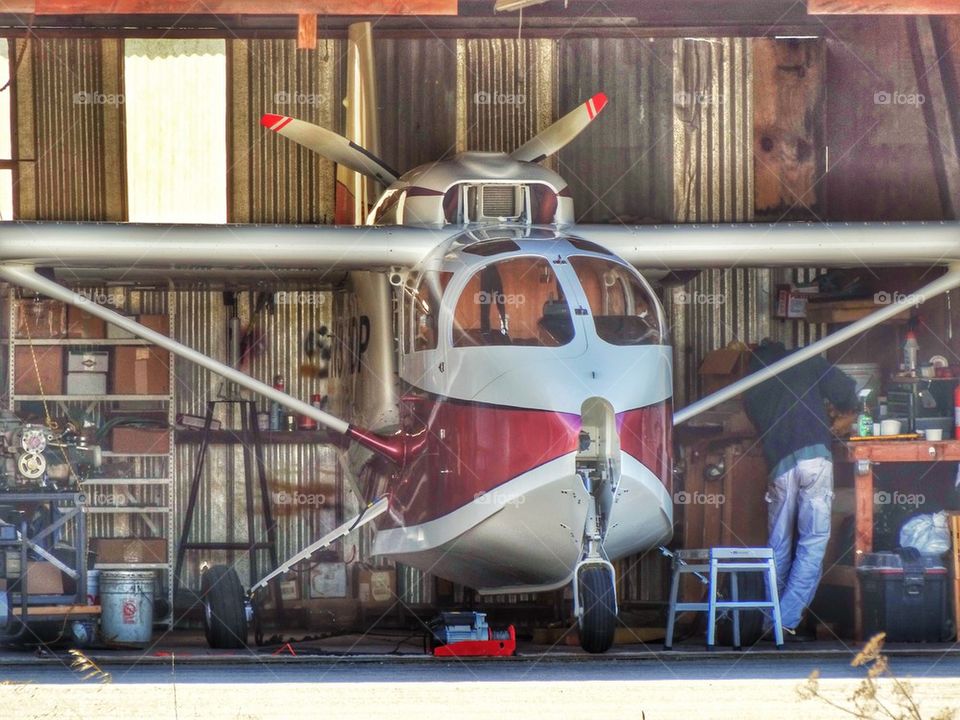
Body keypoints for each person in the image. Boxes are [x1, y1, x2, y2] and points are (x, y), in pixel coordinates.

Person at [742, 340, 858, 636]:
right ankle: (783, 621)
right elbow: (845, 388)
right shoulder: (804, 359)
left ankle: (772, 618)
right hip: (814, 460)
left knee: (778, 545)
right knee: (812, 543)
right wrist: (846, 410)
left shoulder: (751, 388)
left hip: (780, 467)